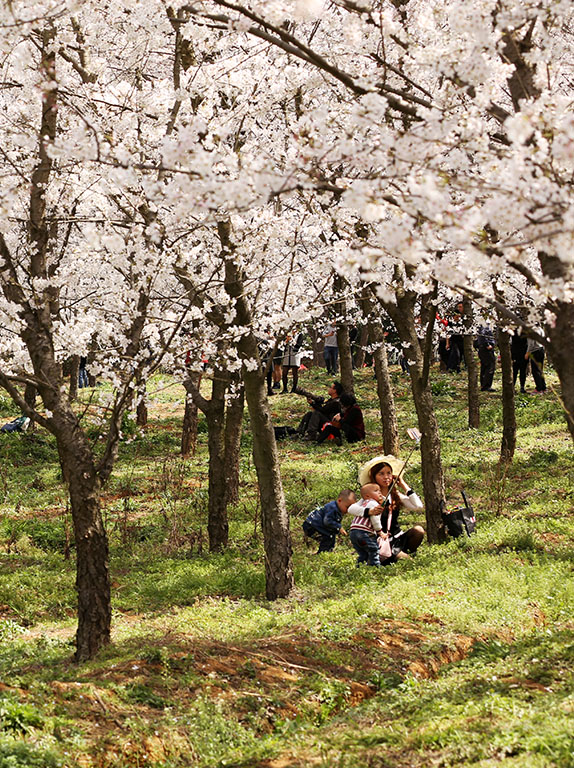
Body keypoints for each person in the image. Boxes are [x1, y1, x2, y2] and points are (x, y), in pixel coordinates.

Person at [358, 455, 424, 562]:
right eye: (381, 474)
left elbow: (418, 506)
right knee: (408, 561)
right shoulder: (369, 498)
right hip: (382, 542)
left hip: (398, 539)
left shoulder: (395, 495)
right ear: (374, 477)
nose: (386, 477)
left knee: (418, 531)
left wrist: (403, 485)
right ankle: (394, 558)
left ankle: (402, 554)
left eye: (389, 473)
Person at [302, 489, 357, 553]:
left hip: (314, 525)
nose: (348, 510)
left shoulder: (337, 508)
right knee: (328, 537)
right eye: (347, 507)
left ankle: (328, 551)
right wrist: (339, 527)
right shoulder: (332, 508)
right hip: (311, 525)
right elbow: (327, 521)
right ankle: (323, 553)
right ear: (339, 501)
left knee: (331, 536)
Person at [348, 483, 388, 566]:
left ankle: (360, 566)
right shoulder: (373, 504)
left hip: (353, 532)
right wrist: (379, 531)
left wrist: (382, 499)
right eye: (376, 491)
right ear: (367, 496)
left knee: (362, 552)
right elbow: (375, 519)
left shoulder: (363, 503)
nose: (380, 493)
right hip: (365, 532)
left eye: (380, 490)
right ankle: (375, 566)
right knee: (373, 550)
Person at [474, 323, 496, 391]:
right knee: (490, 366)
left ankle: (483, 384)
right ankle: (486, 385)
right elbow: (482, 335)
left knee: (484, 366)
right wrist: (487, 344)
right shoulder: (484, 325)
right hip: (486, 348)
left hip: (483, 348)